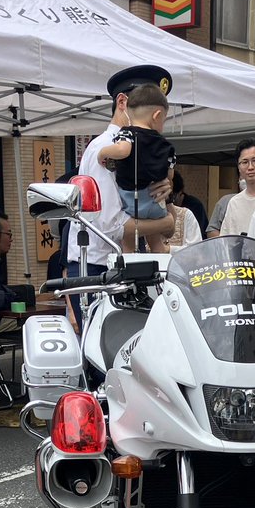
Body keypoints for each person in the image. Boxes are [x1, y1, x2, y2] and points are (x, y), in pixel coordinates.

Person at [65, 65, 175, 326]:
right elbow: (111, 226)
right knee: (104, 355)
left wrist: (166, 190)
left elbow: (161, 193)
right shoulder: (107, 148)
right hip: (99, 268)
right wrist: (166, 222)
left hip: (127, 264)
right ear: (122, 102)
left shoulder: (148, 145)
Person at [97, 83, 175, 254]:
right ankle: (161, 268)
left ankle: (127, 266)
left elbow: (123, 150)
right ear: (157, 115)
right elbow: (169, 175)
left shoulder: (127, 133)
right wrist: (166, 183)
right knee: (156, 242)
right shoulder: (166, 145)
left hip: (132, 200)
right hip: (155, 199)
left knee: (128, 243)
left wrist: (102, 154)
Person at [220, 139, 255, 236]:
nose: (250, 167)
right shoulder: (234, 203)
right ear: (238, 167)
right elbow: (226, 241)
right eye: (244, 162)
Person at [172, 171, 208, 238]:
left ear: (181, 192)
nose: (172, 201)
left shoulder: (195, 206)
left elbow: (199, 232)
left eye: (173, 197)